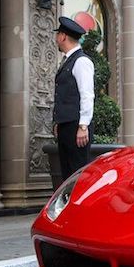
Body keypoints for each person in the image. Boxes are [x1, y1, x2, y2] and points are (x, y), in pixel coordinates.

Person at [52, 16, 95, 180]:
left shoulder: (81, 61)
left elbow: (87, 95)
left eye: (58, 35)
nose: (56, 39)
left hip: (76, 127)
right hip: (67, 126)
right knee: (67, 173)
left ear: (63, 36)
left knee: (77, 174)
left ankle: (79, 206)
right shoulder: (69, 60)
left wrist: (83, 126)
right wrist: (59, 122)